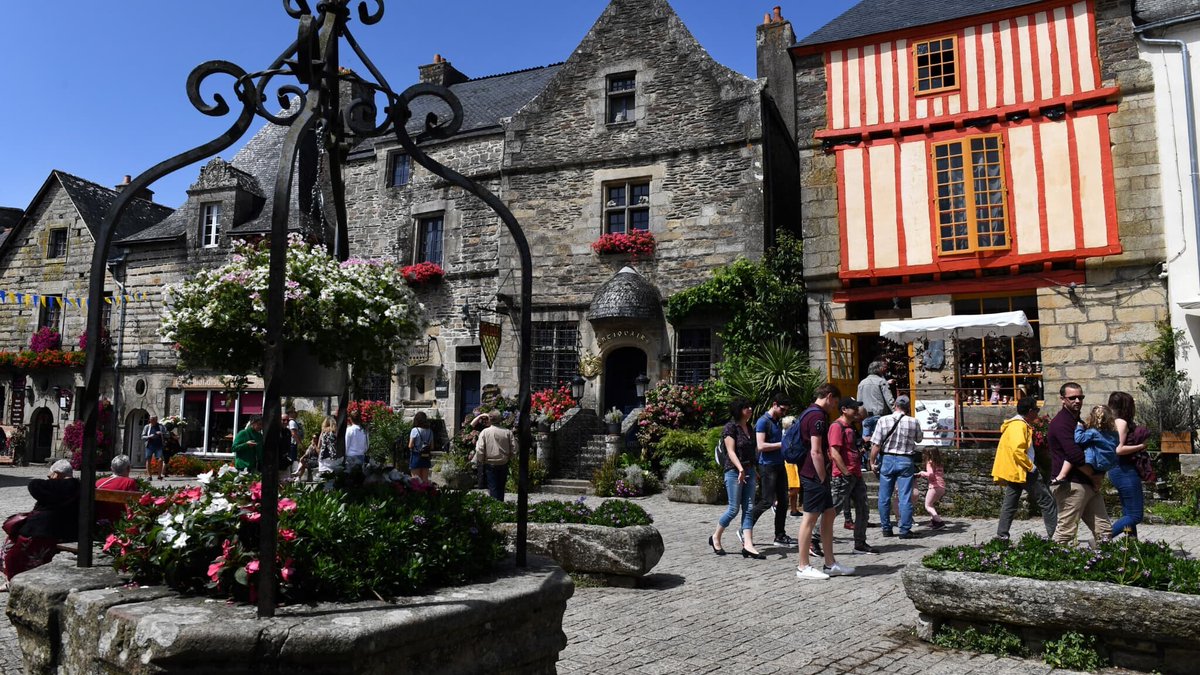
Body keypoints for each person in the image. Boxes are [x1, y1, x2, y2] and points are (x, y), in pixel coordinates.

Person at [795, 383, 855, 580]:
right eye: (835, 402)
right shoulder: (817, 416)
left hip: (813, 473)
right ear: (829, 396)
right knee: (809, 519)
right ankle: (803, 566)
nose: (834, 407)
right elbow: (816, 450)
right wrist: (822, 477)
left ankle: (830, 563)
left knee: (829, 513)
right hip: (813, 474)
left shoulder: (808, 412)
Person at [1048, 382, 1111, 546]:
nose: (1077, 400)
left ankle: (1105, 566)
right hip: (1071, 484)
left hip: (1086, 482)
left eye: (1080, 397)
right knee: (1065, 534)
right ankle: (1054, 567)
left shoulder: (1077, 421)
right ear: (1063, 399)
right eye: (1072, 397)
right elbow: (1074, 455)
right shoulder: (1061, 423)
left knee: (1104, 531)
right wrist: (1095, 476)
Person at [1, 460, 80, 591]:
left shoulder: (57, 487)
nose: (48, 478)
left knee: (11, 550)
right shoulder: (78, 487)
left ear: (56, 474)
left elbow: (33, 485)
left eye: (50, 476)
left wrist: (52, 480)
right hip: (67, 532)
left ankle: (13, 581)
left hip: (43, 531)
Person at [992, 397, 1057, 540]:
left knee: (1010, 503)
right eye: (1037, 410)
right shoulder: (1019, 426)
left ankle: (1002, 535)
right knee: (1046, 501)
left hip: (1015, 470)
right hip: (1023, 469)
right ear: (1030, 411)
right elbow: (1017, 450)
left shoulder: (1016, 424)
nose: (1038, 413)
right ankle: (1056, 535)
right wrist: (1031, 467)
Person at [709, 399, 762, 558]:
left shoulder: (749, 428)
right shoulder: (730, 427)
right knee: (733, 509)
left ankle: (748, 544)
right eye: (746, 407)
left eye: (750, 406)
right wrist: (740, 469)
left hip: (749, 471)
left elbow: (752, 452)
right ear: (738, 410)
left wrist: (754, 470)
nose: (750, 409)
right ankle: (716, 537)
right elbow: (731, 452)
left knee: (749, 507)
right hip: (733, 471)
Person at [869, 395, 923, 539]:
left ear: (895, 406)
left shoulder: (883, 420)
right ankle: (905, 530)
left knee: (884, 496)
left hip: (887, 459)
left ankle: (886, 528)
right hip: (905, 460)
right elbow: (919, 439)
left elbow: (876, 444)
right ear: (908, 407)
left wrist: (872, 461)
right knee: (904, 496)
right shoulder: (914, 422)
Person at [747, 394, 796, 549]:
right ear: (774, 404)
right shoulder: (763, 421)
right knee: (766, 501)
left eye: (786, 410)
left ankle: (780, 535)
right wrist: (782, 444)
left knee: (783, 501)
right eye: (782, 409)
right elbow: (761, 446)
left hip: (779, 464)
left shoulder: (776, 421)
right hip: (767, 465)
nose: (784, 412)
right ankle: (745, 528)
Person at [829, 397, 875, 555]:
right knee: (833, 509)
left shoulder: (851, 427)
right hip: (843, 475)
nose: (856, 410)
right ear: (844, 409)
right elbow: (834, 452)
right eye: (853, 408)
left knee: (863, 508)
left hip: (856, 474)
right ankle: (814, 539)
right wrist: (846, 472)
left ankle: (860, 542)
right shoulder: (837, 426)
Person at [1108, 391, 1148, 540]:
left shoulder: (1111, 421)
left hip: (1116, 470)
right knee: (1136, 515)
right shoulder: (1121, 422)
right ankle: (1103, 537)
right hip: (1124, 470)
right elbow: (1119, 449)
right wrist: (1141, 446)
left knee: (1128, 512)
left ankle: (1131, 547)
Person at [1054, 405, 1118, 490]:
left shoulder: (1093, 432)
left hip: (1095, 462)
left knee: (1073, 452)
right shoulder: (1114, 434)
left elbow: (1079, 439)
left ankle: (1062, 475)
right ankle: (1096, 485)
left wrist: (1079, 427)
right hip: (1108, 464)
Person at [473, 412, 515, 501]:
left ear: (490, 420)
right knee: (501, 488)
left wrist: (482, 460)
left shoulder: (485, 432)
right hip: (503, 463)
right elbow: (514, 448)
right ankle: (500, 506)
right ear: (500, 420)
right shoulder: (507, 432)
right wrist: (509, 458)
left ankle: (495, 509)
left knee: (493, 488)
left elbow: (479, 449)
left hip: (490, 463)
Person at [857, 360, 895, 444]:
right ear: (879, 369)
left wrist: (859, 416)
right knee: (878, 443)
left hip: (866, 417)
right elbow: (890, 400)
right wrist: (896, 413)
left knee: (866, 442)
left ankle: (867, 457)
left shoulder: (862, 383)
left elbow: (859, 402)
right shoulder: (881, 381)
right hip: (879, 416)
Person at [95, 455, 139, 526]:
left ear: (111, 469)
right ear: (128, 469)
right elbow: (133, 506)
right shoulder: (129, 482)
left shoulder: (99, 482)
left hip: (100, 522)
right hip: (119, 523)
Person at [916, 446, 946, 529]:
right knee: (931, 504)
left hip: (934, 486)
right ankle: (934, 521)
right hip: (941, 486)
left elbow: (930, 474)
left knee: (928, 505)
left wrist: (922, 473)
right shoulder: (939, 463)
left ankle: (939, 522)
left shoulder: (930, 462)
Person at [781, 415, 801, 517]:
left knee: (796, 487)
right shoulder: (787, 435)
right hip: (789, 463)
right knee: (794, 488)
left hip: (794, 462)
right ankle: (777, 502)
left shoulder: (790, 434)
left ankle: (794, 509)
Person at [408, 411, 434, 484]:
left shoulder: (415, 430)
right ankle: (425, 494)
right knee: (425, 479)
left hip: (416, 456)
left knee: (415, 480)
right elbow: (432, 446)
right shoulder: (430, 431)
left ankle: (417, 495)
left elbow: (410, 445)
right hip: (426, 457)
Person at [141, 415, 165, 480]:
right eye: (150, 419)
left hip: (159, 445)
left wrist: (161, 433)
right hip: (149, 445)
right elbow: (142, 436)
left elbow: (167, 434)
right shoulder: (147, 427)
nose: (151, 421)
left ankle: (159, 476)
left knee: (160, 460)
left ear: (156, 419)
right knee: (148, 460)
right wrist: (149, 436)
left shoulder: (161, 426)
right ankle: (149, 476)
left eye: (153, 419)